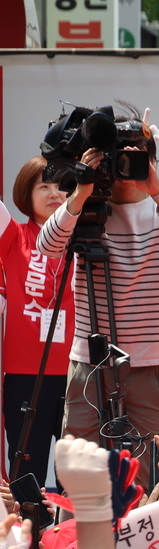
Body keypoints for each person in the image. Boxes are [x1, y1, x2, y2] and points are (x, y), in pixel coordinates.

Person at [37, 114, 159, 486]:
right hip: (90, 356)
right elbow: (47, 247)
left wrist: (157, 190)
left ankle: (145, 544)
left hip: (151, 359)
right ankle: (76, 543)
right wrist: (80, 191)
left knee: (150, 466)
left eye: (137, 156)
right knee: (81, 465)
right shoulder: (87, 207)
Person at [0, 157, 76, 487]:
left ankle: (72, 534)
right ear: (25, 194)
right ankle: (29, 534)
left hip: (78, 373)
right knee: (26, 462)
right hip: (24, 374)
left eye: (62, 186)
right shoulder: (13, 235)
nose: (54, 193)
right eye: (43, 186)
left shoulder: (87, 241)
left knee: (76, 467)